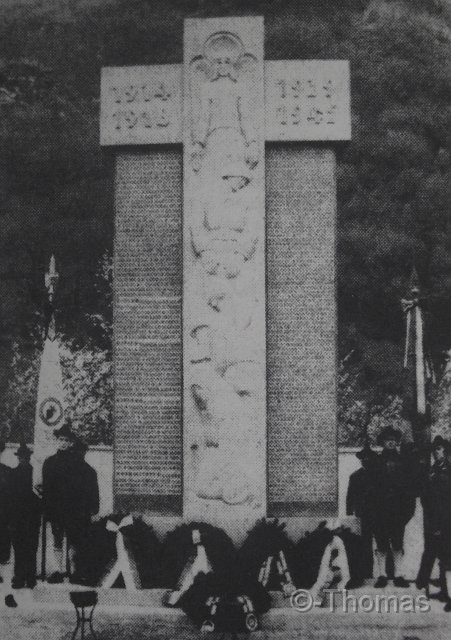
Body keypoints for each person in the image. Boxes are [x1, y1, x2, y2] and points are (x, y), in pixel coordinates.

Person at [42, 423, 99, 583]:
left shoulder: (77, 464)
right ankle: (57, 571)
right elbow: (47, 488)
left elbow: (80, 488)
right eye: (61, 439)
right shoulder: (49, 462)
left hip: (73, 509)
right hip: (56, 508)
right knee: (57, 538)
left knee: (74, 539)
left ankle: (74, 572)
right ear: (57, 440)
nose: (63, 443)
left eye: (66, 440)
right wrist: (48, 509)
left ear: (71, 442)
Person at [369, 426, 416, 588]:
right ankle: (381, 575)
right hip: (380, 511)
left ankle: (399, 575)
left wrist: (407, 512)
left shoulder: (404, 462)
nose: (391, 442)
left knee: (397, 543)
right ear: (382, 442)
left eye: (393, 440)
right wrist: (373, 512)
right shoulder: (376, 462)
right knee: (381, 543)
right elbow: (371, 489)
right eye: (387, 439)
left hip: (398, 511)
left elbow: (409, 489)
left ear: (397, 442)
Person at [416, 436, 450, 597]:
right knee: (432, 551)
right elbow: (425, 496)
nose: (436, 452)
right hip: (431, 518)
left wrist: (440, 523)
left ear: (445, 450)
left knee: (446, 555)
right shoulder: (431, 470)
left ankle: (445, 591)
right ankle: (426, 585)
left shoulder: (448, 470)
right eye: (434, 450)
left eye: (439, 449)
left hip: (445, 520)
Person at [8, 443, 42, 589]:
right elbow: (8, 497)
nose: (23, 459)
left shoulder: (35, 474)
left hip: (31, 516)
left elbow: (40, 495)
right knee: (19, 547)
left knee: (30, 547)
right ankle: (20, 577)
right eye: (21, 457)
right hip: (18, 517)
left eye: (26, 457)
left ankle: (29, 577)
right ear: (18, 458)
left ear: (29, 458)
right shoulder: (13, 474)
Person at [346, 444, 377, 580]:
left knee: (383, 545)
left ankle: (387, 574)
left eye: (368, 458)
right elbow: (350, 497)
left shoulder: (378, 475)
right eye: (363, 458)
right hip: (363, 516)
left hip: (378, 514)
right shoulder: (355, 476)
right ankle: (367, 573)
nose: (366, 460)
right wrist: (349, 513)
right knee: (366, 544)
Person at [0, 440, 12, 586]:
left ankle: (2, 575)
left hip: (3, 514)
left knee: (3, 545)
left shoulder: (7, 472)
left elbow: (11, 496)